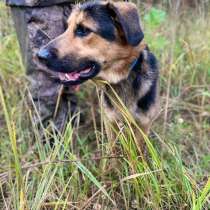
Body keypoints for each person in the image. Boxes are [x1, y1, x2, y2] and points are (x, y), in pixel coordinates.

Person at [6, 0, 78, 133]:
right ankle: (49, 149)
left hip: (66, 4)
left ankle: (72, 141)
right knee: (46, 87)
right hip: (36, 6)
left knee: (70, 77)